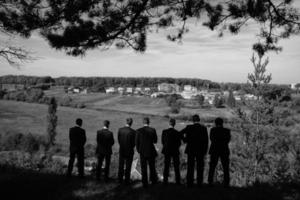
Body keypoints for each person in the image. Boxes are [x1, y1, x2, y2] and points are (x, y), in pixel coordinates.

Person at [180, 114, 208, 187]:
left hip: (191, 149)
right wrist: (205, 151)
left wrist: (185, 140)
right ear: (199, 120)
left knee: (190, 167)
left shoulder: (189, 127)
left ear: (193, 120)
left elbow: (180, 133)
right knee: (200, 167)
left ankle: (189, 183)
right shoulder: (203, 128)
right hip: (200, 150)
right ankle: (199, 183)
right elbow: (206, 141)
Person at [208, 117, 231, 187]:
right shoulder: (227, 131)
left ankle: (210, 181)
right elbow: (228, 140)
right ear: (222, 123)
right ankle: (226, 182)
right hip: (224, 149)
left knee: (212, 166)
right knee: (225, 167)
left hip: (214, 149)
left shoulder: (212, 130)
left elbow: (211, 139)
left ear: (215, 123)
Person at [136, 117, 158, 188]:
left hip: (142, 151)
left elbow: (136, 142)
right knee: (152, 167)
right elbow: (155, 141)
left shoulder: (138, 131)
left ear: (143, 122)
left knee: (143, 167)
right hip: (151, 150)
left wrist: (138, 150)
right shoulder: (152, 130)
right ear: (149, 122)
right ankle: (153, 180)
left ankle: (144, 182)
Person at [161, 118, 182, 185]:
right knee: (176, 166)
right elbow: (179, 143)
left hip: (167, 150)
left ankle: (165, 181)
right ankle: (178, 181)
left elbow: (163, 142)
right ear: (174, 124)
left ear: (169, 124)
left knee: (166, 166)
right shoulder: (177, 132)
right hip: (175, 150)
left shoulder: (164, 132)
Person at [118, 118, 136, 184]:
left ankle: (120, 180)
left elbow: (119, 140)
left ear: (126, 122)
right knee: (128, 166)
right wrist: (131, 147)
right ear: (131, 123)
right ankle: (127, 180)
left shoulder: (120, 130)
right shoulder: (133, 132)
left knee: (121, 165)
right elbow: (134, 143)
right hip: (129, 150)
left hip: (122, 149)